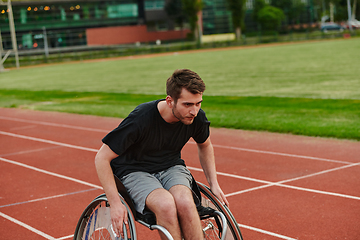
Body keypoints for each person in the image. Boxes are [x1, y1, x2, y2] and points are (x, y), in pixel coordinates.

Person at [95, 69, 229, 240]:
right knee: (165, 204)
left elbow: (205, 145)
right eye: (187, 104)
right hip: (135, 170)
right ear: (170, 101)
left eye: (198, 103)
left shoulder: (196, 118)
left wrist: (214, 184)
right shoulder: (141, 118)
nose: (194, 111)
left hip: (171, 166)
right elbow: (101, 158)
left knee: (186, 203)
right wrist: (115, 203)